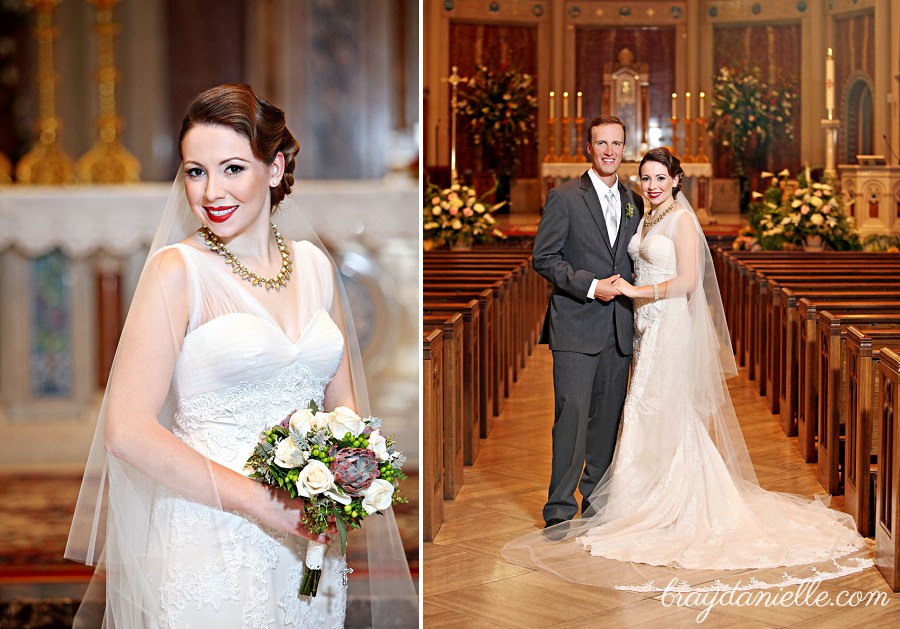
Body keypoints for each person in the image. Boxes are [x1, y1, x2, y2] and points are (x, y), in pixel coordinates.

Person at [65, 84, 416, 627]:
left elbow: (341, 403)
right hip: (209, 535)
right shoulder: (176, 272)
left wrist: (345, 476)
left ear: (274, 170)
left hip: (308, 537)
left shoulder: (316, 267)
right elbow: (126, 431)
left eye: (232, 168)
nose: (211, 192)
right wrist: (267, 504)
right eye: (195, 171)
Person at [502, 147, 870, 591]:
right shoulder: (645, 215)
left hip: (669, 325)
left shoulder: (681, 220)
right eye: (646, 178)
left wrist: (640, 293)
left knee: (664, 412)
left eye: (660, 178)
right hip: (642, 332)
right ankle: (637, 502)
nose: (652, 185)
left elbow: (690, 281)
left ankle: (673, 505)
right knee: (642, 413)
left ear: (677, 180)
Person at [531, 115, 644, 529]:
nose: (610, 151)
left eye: (616, 143)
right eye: (602, 143)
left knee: (607, 421)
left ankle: (595, 504)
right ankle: (559, 509)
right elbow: (543, 258)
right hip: (577, 325)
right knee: (573, 417)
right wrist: (593, 285)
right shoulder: (565, 197)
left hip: (619, 330)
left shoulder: (635, 199)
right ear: (589, 148)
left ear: (624, 149)